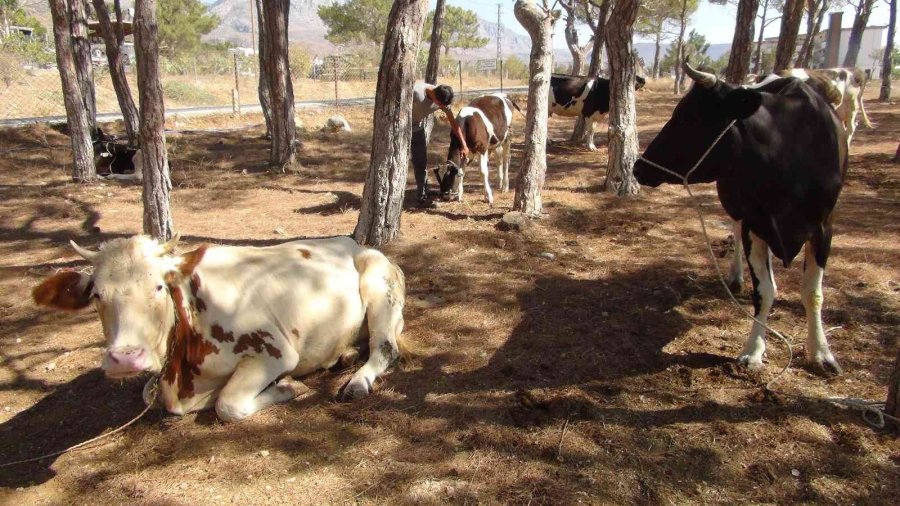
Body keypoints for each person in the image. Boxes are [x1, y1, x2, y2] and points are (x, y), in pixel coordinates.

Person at [411, 82, 469, 207]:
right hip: (398, 131)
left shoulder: (442, 99)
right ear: (436, 99)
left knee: (420, 162)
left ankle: (422, 194)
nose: (442, 108)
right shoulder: (416, 92)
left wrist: (464, 144)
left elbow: (454, 124)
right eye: (441, 105)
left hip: (416, 129)